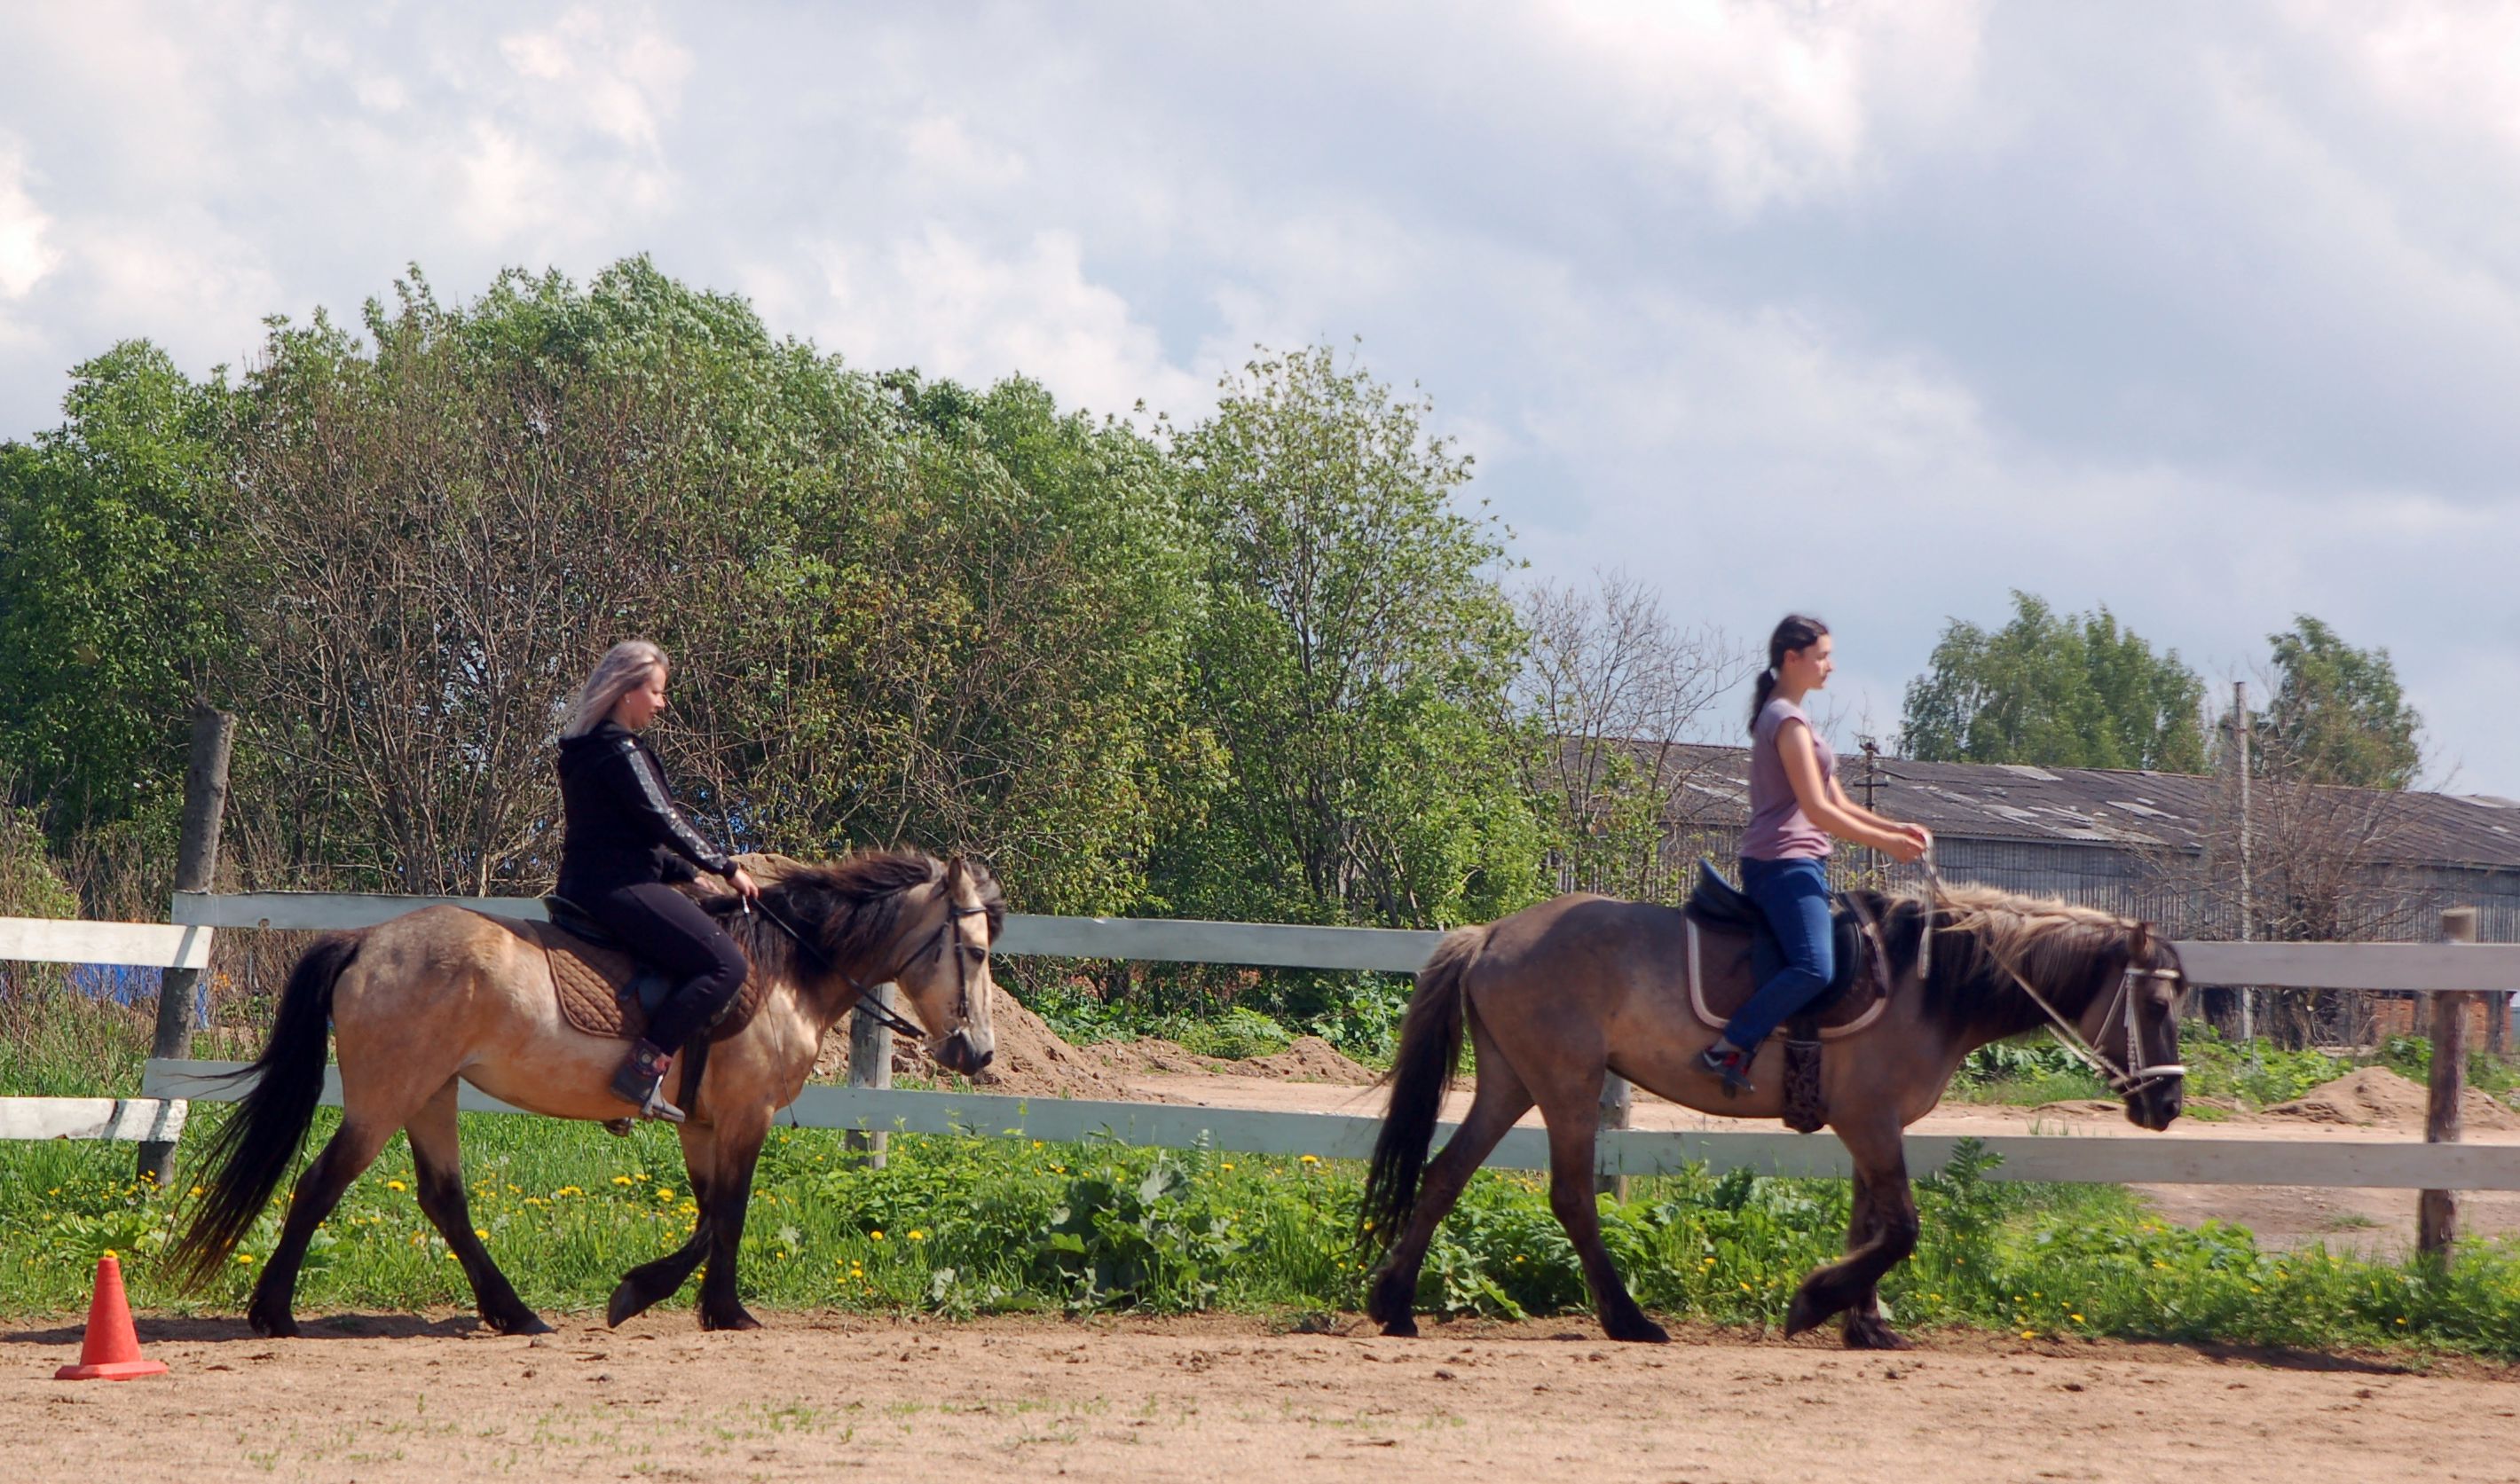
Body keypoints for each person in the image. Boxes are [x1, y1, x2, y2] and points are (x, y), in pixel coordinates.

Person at [1696, 615, 1929, 1094]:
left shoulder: (1797, 721)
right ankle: (1729, 1047)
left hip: (1799, 862)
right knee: (1813, 968)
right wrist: (1887, 846)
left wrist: (1895, 828)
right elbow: (1817, 810)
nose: (1830, 666)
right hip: (1783, 863)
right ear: (1792, 658)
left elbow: (1838, 803)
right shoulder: (1786, 721)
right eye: (1822, 656)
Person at [554, 640, 761, 1122]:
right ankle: (640, 1074)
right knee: (726, 965)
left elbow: (622, 834)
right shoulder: (619, 750)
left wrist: (688, 875)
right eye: (657, 692)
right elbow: (665, 820)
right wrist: (725, 866)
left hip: (589, 881)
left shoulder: (585, 749)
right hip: (618, 887)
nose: (662, 704)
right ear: (628, 692)